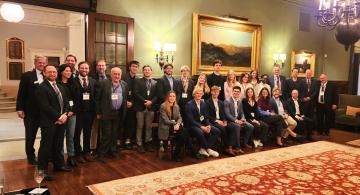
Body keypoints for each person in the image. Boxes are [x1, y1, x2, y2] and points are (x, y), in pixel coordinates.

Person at [36, 64, 71, 181]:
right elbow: (45, 106)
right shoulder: (41, 87)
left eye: (54, 72)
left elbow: (66, 102)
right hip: (49, 122)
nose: (52, 74)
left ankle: (59, 165)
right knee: (46, 146)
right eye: (49, 72)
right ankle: (42, 171)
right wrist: (59, 116)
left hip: (61, 121)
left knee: (58, 144)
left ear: (57, 73)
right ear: (44, 74)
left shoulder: (60, 87)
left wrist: (65, 114)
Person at [16, 55, 46, 165]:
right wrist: (19, 108)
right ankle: (31, 156)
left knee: (46, 135)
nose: (42, 64)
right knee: (30, 136)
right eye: (39, 62)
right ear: (35, 63)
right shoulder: (27, 76)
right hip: (31, 112)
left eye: (43, 63)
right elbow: (21, 94)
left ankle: (44, 155)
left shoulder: (48, 75)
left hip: (45, 113)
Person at [95, 67, 128, 162]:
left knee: (114, 134)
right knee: (106, 134)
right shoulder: (103, 83)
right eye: (115, 74)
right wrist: (98, 112)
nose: (117, 76)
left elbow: (124, 98)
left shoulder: (124, 84)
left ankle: (112, 151)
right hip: (106, 113)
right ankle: (102, 154)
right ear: (111, 74)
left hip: (118, 113)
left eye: (119, 74)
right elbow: (97, 99)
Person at [185, 88, 221, 158]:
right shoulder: (189, 104)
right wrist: (202, 127)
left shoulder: (203, 103)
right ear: (194, 95)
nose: (199, 95)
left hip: (203, 124)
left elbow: (206, 116)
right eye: (197, 93)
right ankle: (207, 148)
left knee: (217, 131)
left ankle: (203, 148)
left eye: (200, 93)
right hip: (192, 125)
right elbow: (191, 120)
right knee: (201, 132)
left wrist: (208, 125)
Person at [73, 62, 96, 163]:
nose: (84, 70)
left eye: (86, 68)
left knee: (87, 133)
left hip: (89, 113)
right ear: (78, 69)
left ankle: (86, 152)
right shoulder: (72, 81)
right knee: (76, 133)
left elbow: (95, 98)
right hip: (77, 113)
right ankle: (78, 153)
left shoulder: (93, 81)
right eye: (82, 68)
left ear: (89, 69)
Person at [158, 91, 189, 162]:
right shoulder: (163, 106)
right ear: (167, 97)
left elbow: (180, 117)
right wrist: (174, 124)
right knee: (183, 133)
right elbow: (165, 120)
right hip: (166, 127)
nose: (172, 98)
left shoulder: (176, 106)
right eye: (170, 96)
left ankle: (176, 153)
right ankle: (177, 153)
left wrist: (177, 124)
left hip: (175, 126)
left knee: (185, 132)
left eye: (173, 96)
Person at [57, 64, 78, 167]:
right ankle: (59, 157)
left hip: (72, 113)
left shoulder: (73, 83)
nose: (68, 72)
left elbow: (77, 100)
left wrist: (72, 111)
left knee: (70, 136)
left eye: (70, 71)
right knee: (60, 136)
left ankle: (71, 156)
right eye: (66, 71)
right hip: (61, 114)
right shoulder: (56, 84)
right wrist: (64, 113)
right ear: (61, 72)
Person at [133, 65, 158, 153]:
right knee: (140, 126)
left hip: (151, 108)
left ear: (151, 71)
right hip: (140, 107)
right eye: (145, 70)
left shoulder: (155, 82)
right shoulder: (138, 81)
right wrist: (145, 101)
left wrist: (151, 102)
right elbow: (136, 93)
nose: (147, 71)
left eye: (148, 70)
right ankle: (139, 144)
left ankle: (148, 143)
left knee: (148, 127)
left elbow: (157, 95)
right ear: (143, 71)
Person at [206, 86, 235, 156]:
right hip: (213, 121)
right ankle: (227, 148)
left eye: (217, 92)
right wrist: (216, 120)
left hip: (221, 121)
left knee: (232, 127)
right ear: (211, 92)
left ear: (219, 93)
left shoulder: (221, 102)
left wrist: (225, 121)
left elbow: (224, 114)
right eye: (214, 91)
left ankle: (230, 146)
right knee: (223, 128)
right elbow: (207, 115)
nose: (216, 93)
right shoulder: (207, 102)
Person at [224, 86, 254, 152]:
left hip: (238, 120)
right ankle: (238, 147)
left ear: (240, 93)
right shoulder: (227, 101)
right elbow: (227, 114)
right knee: (237, 126)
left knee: (250, 126)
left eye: (238, 92)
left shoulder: (240, 101)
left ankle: (245, 143)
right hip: (230, 121)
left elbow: (242, 112)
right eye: (235, 91)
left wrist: (243, 118)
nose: (236, 93)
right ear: (232, 91)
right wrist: (236, 121)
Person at [90, 59, 108, 154]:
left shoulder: (109, 77)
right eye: (99, 65)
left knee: (104, 129)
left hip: (107, 109)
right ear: (96, 67)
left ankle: (102, 147)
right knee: (95, 129)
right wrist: (97, 111)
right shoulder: (91, 78)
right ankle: (93, 148)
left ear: (106, 67)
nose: (101, 67)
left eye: (102, 65)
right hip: (95, 108)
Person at [122, 60, 139, 149]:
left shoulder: (138, 79)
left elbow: (137, 93)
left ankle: (128, 141)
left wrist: (131, 102)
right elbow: (120, 90)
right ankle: (119, 141)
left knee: (131, 123)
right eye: (133, 66)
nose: (134, 68)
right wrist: (126, 102)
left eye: (136, 67)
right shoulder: (124, 77)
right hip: (123, 103)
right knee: (121, 123)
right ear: (129, 67)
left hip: (133, 104)